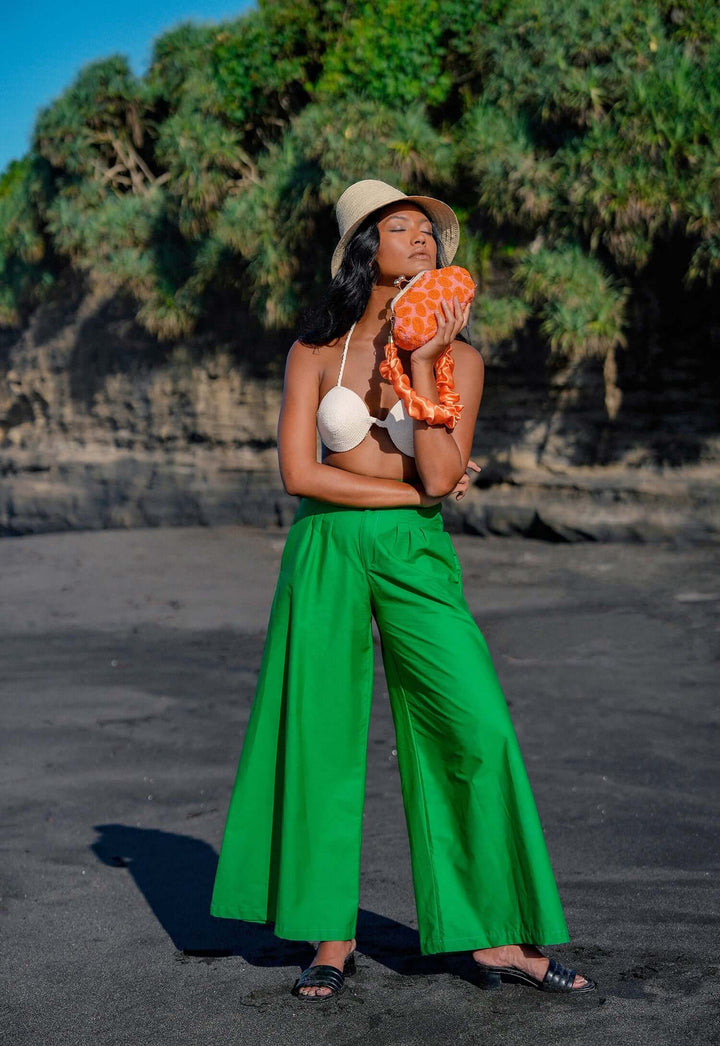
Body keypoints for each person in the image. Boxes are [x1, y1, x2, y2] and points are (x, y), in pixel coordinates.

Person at [210, 179, 595, 999]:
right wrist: (413, 496)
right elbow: (298, 472)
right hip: (324, 546)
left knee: (475, 723)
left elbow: (444, 470)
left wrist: (421, 364)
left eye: (430, 229)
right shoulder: (314, 351)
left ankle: (494, 936)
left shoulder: (458, 360)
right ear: (364, 249)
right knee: (318, 736)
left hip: (416, 554)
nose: (422, 237)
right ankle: (330, 935)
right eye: (402, 226)